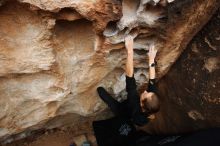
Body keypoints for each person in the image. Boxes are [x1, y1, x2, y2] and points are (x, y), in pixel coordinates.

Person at [96, 35, 160, 126]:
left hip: (125, 113)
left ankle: (120, 114)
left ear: (142, 105)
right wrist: (151, 60)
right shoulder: (151, 101)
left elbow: (130, 79)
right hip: (137, 113)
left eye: (145, 94)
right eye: (149, 92)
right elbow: (152, 80)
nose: (146, 91)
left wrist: (130, 52)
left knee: (100, 91)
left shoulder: (134, 105)